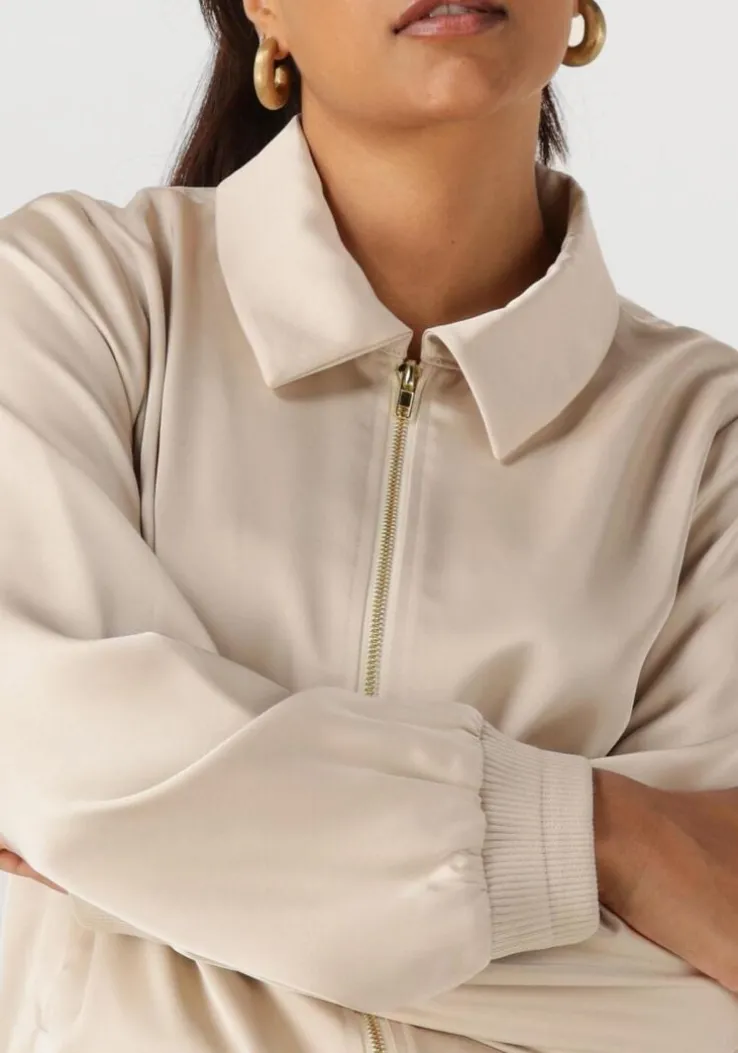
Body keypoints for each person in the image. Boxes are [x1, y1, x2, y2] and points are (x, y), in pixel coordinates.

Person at [0, 0, 737, 1050]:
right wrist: (611, 838)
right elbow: (42, 758)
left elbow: (703, 1000)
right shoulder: (73, 302)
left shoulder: (708, 443)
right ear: (264, 9)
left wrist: (154, 856)